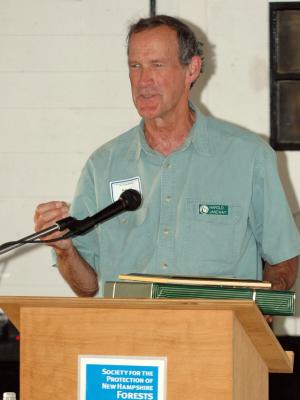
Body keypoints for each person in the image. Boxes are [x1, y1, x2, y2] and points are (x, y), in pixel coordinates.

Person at [34, 15, 300, 297]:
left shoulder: (248, 157)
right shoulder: (103, 165)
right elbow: (86, 287)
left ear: (192, 69)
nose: (143, 80)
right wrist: (65, 252)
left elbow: (284, 260)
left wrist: (263, 301)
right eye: (135, 66)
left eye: (157, 65)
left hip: (215, 337)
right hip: (131, 336)